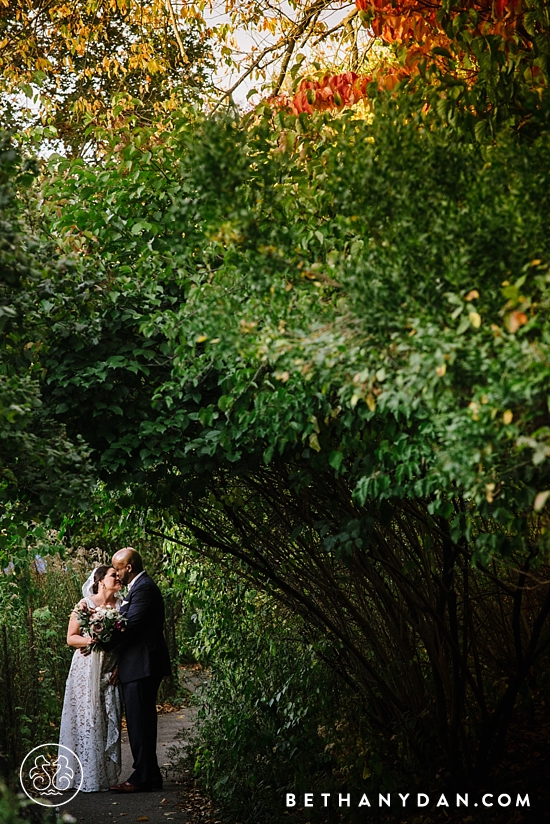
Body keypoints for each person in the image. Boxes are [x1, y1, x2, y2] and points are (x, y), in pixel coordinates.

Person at [103, 547, 171, 793]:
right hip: (137, 664)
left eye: (118, 568)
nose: (117, 574)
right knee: (139, 722)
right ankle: (149, 776)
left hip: (143, 665)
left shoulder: (144, 588)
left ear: (128, 567)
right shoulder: (139, 588)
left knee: (140, 722)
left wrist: (100, 642)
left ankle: (143, 777)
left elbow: (130, 627)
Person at [58, 566, 123, 792]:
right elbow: (71, 638)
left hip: (109, 668)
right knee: (86, 718)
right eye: (113, 575)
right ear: (101, 581)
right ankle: (81, 775)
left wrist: (121, 667)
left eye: (118, 574)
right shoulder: (85, 604)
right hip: (85, 668)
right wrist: (92, 641)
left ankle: (103, 776)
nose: (118, 577)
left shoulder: (123, 607)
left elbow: (128, 642)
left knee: (106, 715)